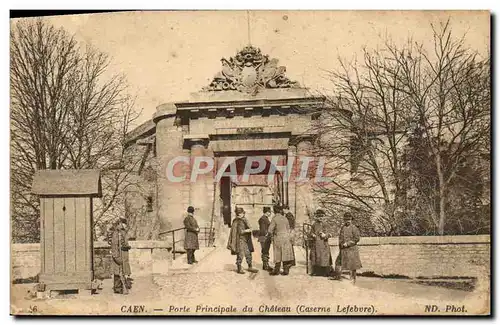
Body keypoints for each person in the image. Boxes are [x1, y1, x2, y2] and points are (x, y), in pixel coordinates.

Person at [227, 207, 259, 274]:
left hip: (246, 239)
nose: (240, 214)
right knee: (240, 253)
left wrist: (248, 229)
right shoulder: (237, 221)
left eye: (241, 213)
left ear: (243, 213)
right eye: (238, 213)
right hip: (240, 240)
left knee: (248, 253)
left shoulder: (244, 219)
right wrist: (247, 230)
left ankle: (250, 267)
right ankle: (239, 268)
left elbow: (249, 227)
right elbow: (238, 231)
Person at [267, 205, 295, 276]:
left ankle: (276, 271)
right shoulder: (285, 218)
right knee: (285, 253)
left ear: (274, 211)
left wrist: (272, 234)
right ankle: (286, 270)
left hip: (278, 238)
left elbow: (270, 230)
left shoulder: (274, 218)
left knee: (278, 254)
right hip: (286, 237)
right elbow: (288, 228)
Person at [338, 212, 362, 283]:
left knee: (353, 265)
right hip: (344, 249)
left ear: (351, 220)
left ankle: (353, 278)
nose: (347, 221)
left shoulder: (354, 228)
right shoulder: (343, 228)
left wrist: (348, 244)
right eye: (346, 219)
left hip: (352, 249)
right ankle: (341, 277)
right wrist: (341, 244)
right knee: (342, 263)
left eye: (349, 219)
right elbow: (340, 237)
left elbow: (357, 239)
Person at [309, 209, 333, 277]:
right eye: (319, 216)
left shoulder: (326, 224)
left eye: (322, 216)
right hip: (316, 244)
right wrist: (312, 234)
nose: (320, 218)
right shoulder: (314, 224)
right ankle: (316, 271)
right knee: (315, 257)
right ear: (316, 216)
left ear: (324, 217)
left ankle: (326, 272)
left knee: (324, 258)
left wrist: (325, 235)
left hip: (323, 244)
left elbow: (330, 234)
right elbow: (311, 232)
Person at [110, 217, 131, 294]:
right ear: (121, 224)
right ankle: (118, 288)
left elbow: (124, 242)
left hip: (123, 255)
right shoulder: (117, 233)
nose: (125, 226)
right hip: (119, 255)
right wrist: (116, 257)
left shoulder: (123, 232)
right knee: (118, 272)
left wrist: (126, 246)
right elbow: (114, 245)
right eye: (124, 224)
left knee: (121, 272)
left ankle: (121, 287)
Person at [258, 206, 273, 271]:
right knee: (265, 251)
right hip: (264, 238)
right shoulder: (263, 219)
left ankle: (265, 265)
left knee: (265, 251)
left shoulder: (265, 218)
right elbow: (263, 230)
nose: (270, 214)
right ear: (267, 212)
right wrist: (268, 234)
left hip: (265, 237)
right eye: (269, 212)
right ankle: (265, 266)